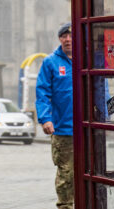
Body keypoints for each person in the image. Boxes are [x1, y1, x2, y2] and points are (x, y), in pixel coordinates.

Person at [35, 22, 74, 209]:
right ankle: (65, 206)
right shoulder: (50, 62)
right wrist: (45, 118)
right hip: (63, 129)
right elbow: (42, 93)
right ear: (59, 39)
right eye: (63, 36)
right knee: (66, 174)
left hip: (88, 128)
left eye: (71, 35)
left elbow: (101, 87)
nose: (67, 39)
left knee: (92, 172)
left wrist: (106, 115)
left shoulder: (88, 59)